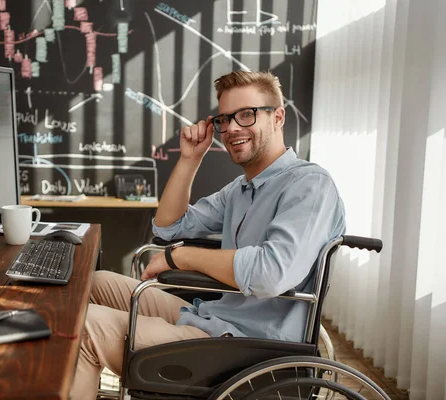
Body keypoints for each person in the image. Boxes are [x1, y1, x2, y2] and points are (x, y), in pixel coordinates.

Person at [69, 70, 346, 399]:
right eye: (225, 119)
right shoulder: (240, 190)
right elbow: (168, 227)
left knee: (83, 329)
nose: (232, 128)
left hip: (247, 347)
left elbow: (270, 274)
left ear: (277, 117)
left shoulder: (309, 185)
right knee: (98, 282)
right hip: (216, 319)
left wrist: (182, 257)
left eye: (246, 115)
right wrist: (189, 159)